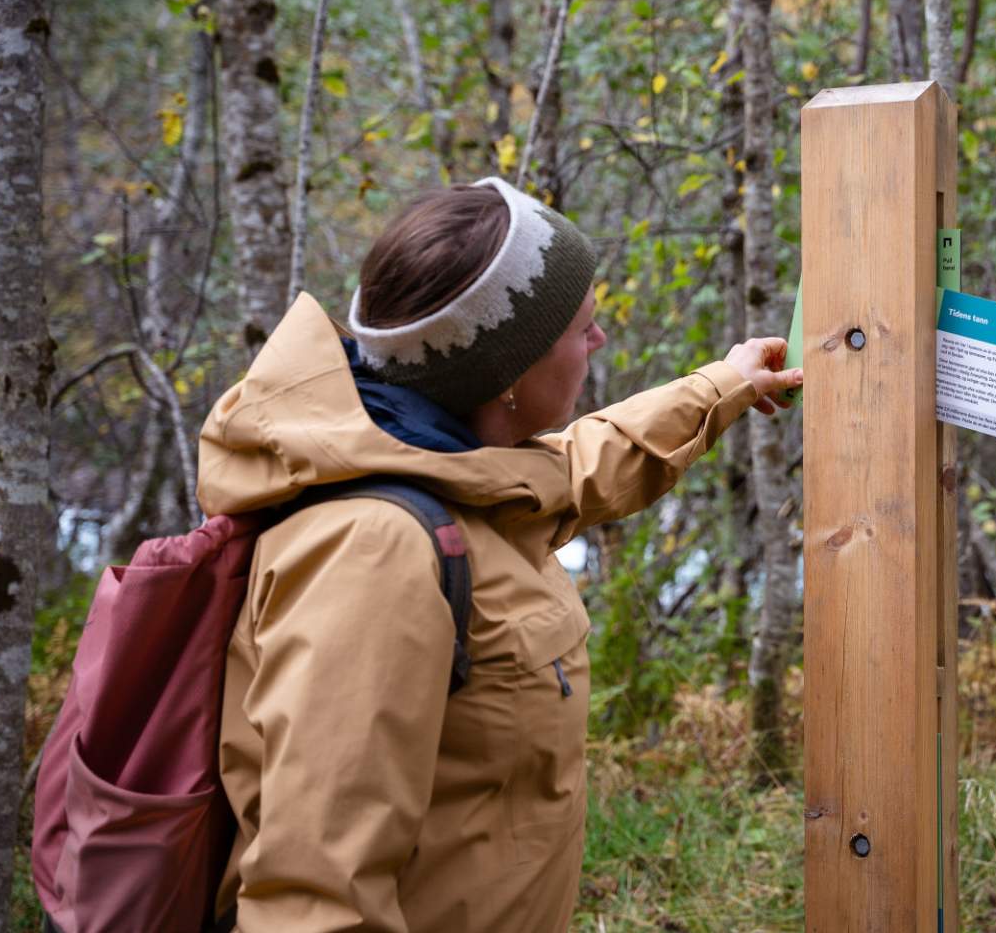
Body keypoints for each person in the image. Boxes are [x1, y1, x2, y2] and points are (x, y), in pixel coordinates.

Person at [198, 177, 800, 931]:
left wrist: (724, 387)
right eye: (582, 327)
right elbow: (314, 898)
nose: (600, 340)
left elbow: (570, 472)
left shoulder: (449, 465)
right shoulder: (374, 553)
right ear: (509, 370)